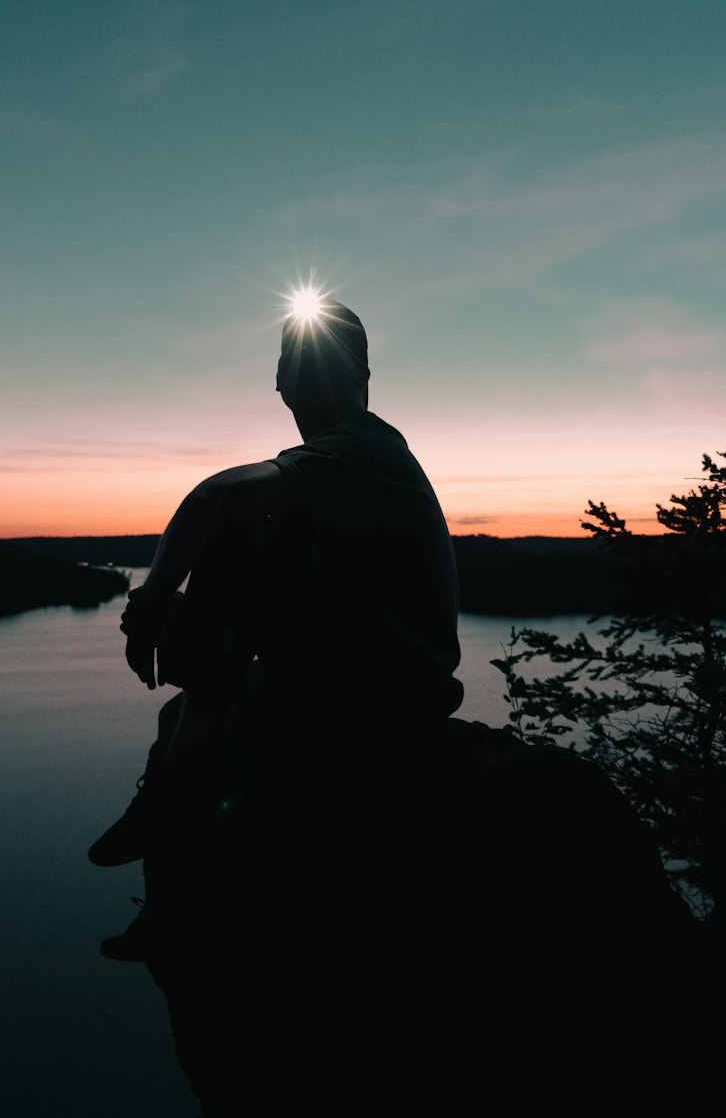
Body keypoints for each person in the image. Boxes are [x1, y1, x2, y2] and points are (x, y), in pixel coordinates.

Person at [88, 300, 462, 878]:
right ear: (281, 381)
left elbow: (219, 496)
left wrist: (157, 599)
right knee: (179, 716)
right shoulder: (351, 455)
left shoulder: (360, 449)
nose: (312, 374)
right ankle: (183, 895)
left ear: (362, 377)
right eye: (300, 361)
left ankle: (182, 798)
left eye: (328, 360)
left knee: (243, 537)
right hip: (382, 681)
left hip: (388, 697)